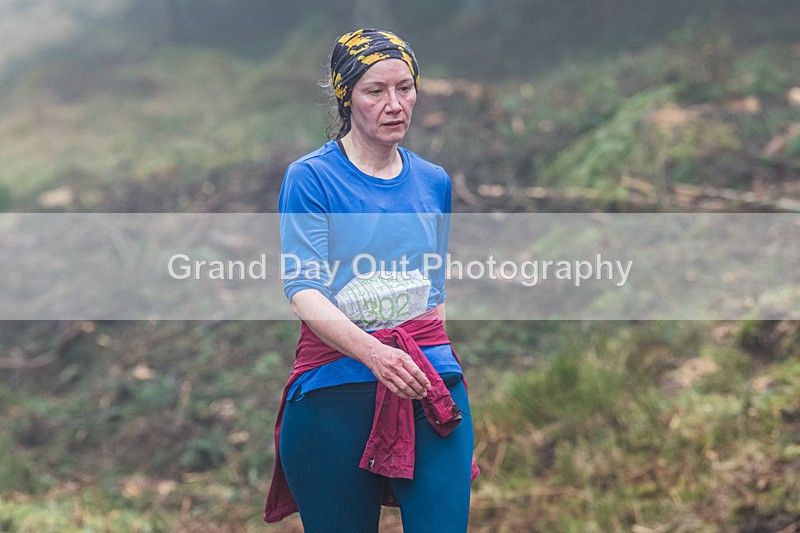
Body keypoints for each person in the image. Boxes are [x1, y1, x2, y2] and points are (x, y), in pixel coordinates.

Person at [263, 29, 478, 532]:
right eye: (375, 91)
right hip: (335, 391)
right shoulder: (311, 178)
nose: (394, 104)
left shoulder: (433, 181)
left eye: (405, 88)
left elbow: (434, 294)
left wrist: (429, 362)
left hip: (427, 384)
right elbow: (303, 290)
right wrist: (375, 355)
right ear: (347, 97)